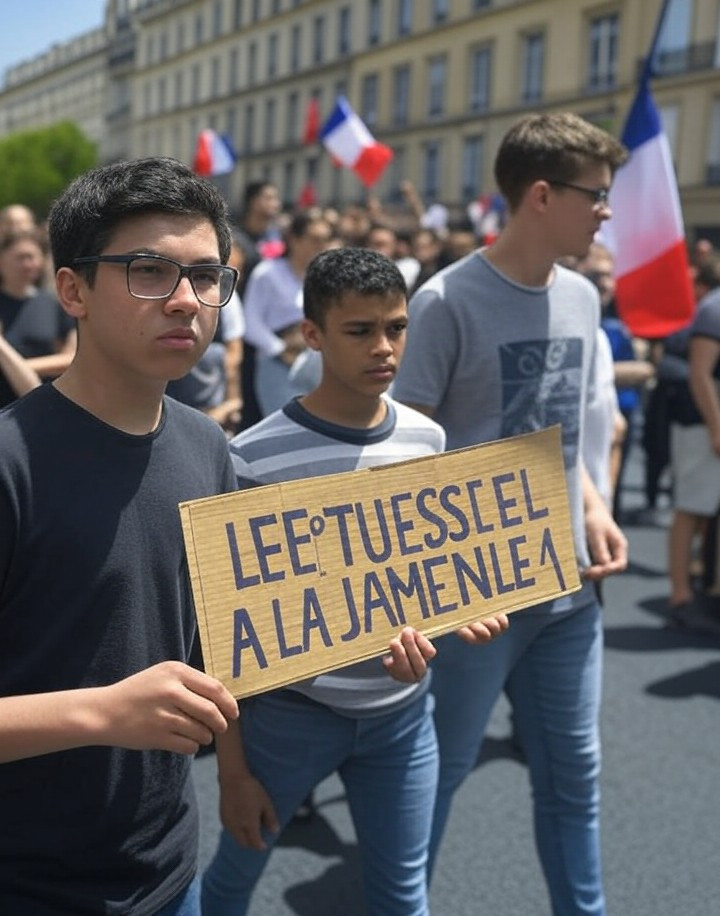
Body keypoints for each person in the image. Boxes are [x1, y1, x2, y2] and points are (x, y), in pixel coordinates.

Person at [201, 246, 509, 916]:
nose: (385, 347)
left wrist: (457, 613)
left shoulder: (428, 439)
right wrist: (232, 772)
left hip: (402, 717)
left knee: (404, 897)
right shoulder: (253, 456)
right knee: (232, 879)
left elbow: (418, 573)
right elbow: (226, 630)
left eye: (396, 327)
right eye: (360, 330)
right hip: (290, 718)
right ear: (312, 335)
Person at [392, 112, 629, 916]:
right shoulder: (443, 301)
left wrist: (592, 502)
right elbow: (403, 454)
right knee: (441, 773)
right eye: (595, 195)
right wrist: (450, 582)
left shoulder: (585, 296)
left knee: (574, 777)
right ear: (539, 195)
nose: (606, 211)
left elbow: (563, 431)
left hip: (569, 590)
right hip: (474, 601)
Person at [0, 157, 243, 916]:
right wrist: (103, 712)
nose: (185, 300)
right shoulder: (11, 464)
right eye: (148, 271)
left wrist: (374, 634)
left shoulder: (209, 448)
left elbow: (226, 646)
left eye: (207, 276)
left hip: (169, 869)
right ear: (71, 289)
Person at [242, 210, 333, 417]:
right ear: (294, 239)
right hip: (277, 365)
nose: (321, 246)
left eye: (326, 239)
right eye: (314, 239)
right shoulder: (267, 273)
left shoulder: (327, 278)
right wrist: (280, 349)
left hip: (319, 364)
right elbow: (251, 321)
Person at [0, 228, 76, 407]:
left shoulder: (54, 304)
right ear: (1, 261)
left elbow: (71, 358)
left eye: (32, 257)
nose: (28, 264)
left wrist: (20, 366)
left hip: (42, 407)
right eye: (20, 258)